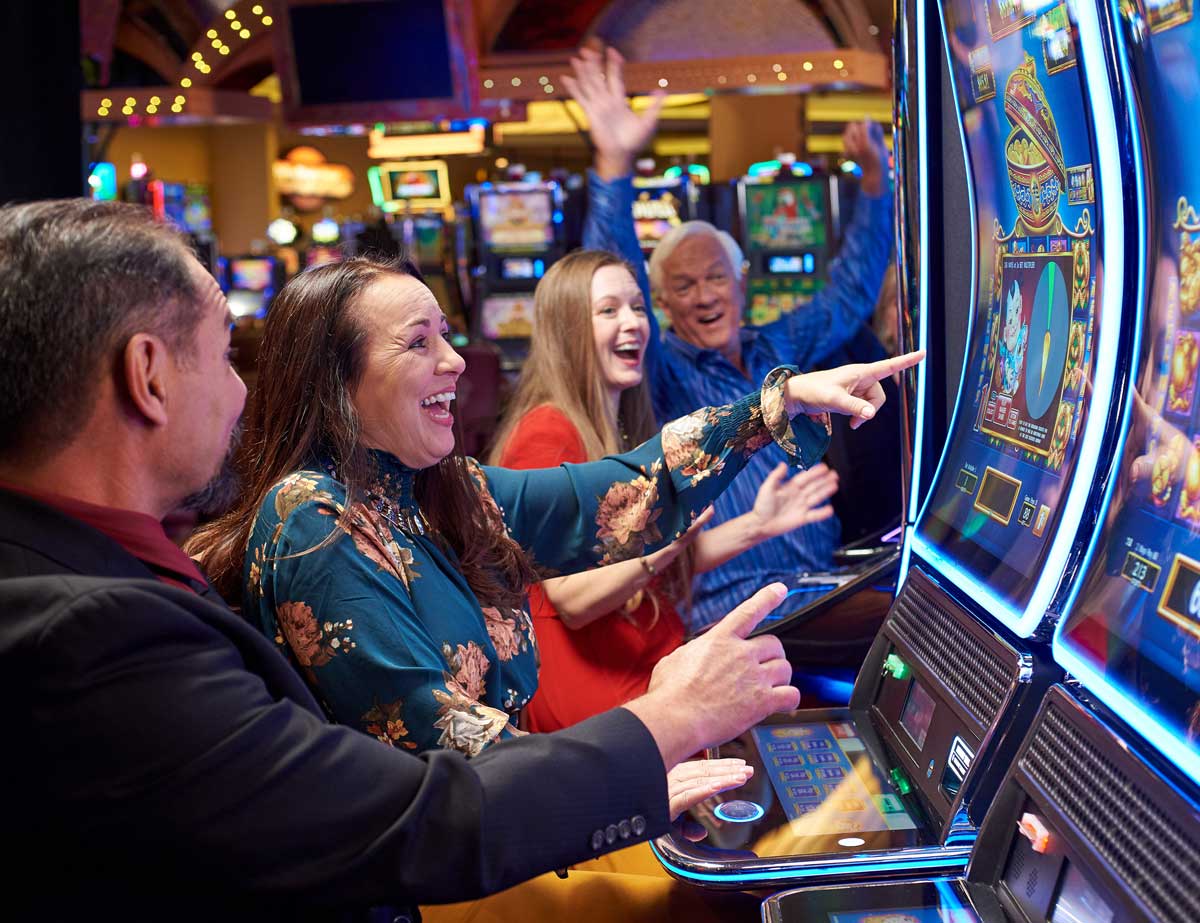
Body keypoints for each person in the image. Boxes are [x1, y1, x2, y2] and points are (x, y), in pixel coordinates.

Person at [0, 199, 917, 922]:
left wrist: (775, 405)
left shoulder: (431, 485)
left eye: (447, 333)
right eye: (420, 342)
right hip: (446, 871)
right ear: (342, 385)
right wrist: (657, 730)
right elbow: (434, 755)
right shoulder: (308, 521)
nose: (456, 361)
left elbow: (609, 497)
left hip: (503, 816)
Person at [565, 47, 896, 629]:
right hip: (733, 606)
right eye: (684, 285)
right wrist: (614, 164)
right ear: (662, 303)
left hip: (819, 584)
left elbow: (850, 291)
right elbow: (614, 269)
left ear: (741, 283)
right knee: (917, 623)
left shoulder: (777, 346)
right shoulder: (663, 371)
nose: (704, 296)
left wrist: (875, 178)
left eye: (716, 277)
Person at [490, 248, 839, 733]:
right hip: (596, 688)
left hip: (637, 659)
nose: (632, 323)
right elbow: (571, 599)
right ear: (568, 328)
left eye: (638, 307)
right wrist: (662, 545)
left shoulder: (614, 427)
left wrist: (757, 526)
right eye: (608, 310)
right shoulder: (546, 431)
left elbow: (658, 569)